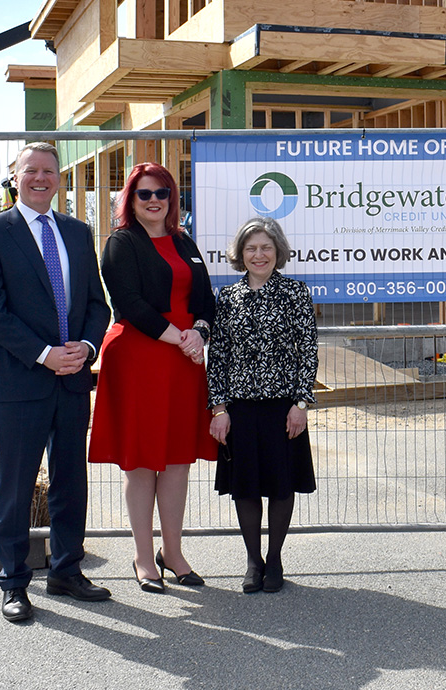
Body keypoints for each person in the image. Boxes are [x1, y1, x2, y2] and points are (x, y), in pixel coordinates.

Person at [0, 142, 112, 622]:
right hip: (19, 382)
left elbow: (97, 305)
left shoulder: (76, 231)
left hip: (72, 380)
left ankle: (66, 570)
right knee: (15, 485)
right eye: (31, 170)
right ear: (15, 177)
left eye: (49, 171)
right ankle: (13, 582)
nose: (41, 178)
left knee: (70, 481)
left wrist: (86, 349)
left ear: (59, 178)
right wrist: (46, 354)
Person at [88, 162, 216, 593]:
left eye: (162, 192)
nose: (155, 201)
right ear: (131, 199)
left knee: (178, 460)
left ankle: (174, 552)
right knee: (142, 461)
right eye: (145, 194)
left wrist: (198, 332)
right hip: (141, 358)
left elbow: (205, 300)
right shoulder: (121, 243)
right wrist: (180, 337)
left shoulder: (185, 242)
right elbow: (129, 302)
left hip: (183, 362)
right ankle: (144, 556)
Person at [207, 217, 318, 594]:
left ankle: (275, 559)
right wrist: (218, 409)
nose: (259, 255)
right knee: (247, 488)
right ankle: (253, 561)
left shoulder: (296, 294)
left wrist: (301, 403)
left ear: (278, 252)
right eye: (251, 248)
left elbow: (308, 352)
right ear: (240, 254)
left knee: (281, 486)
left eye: (266, 248)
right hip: (240, 411)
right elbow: (218, 356)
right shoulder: (228, 298)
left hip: (283, 409)